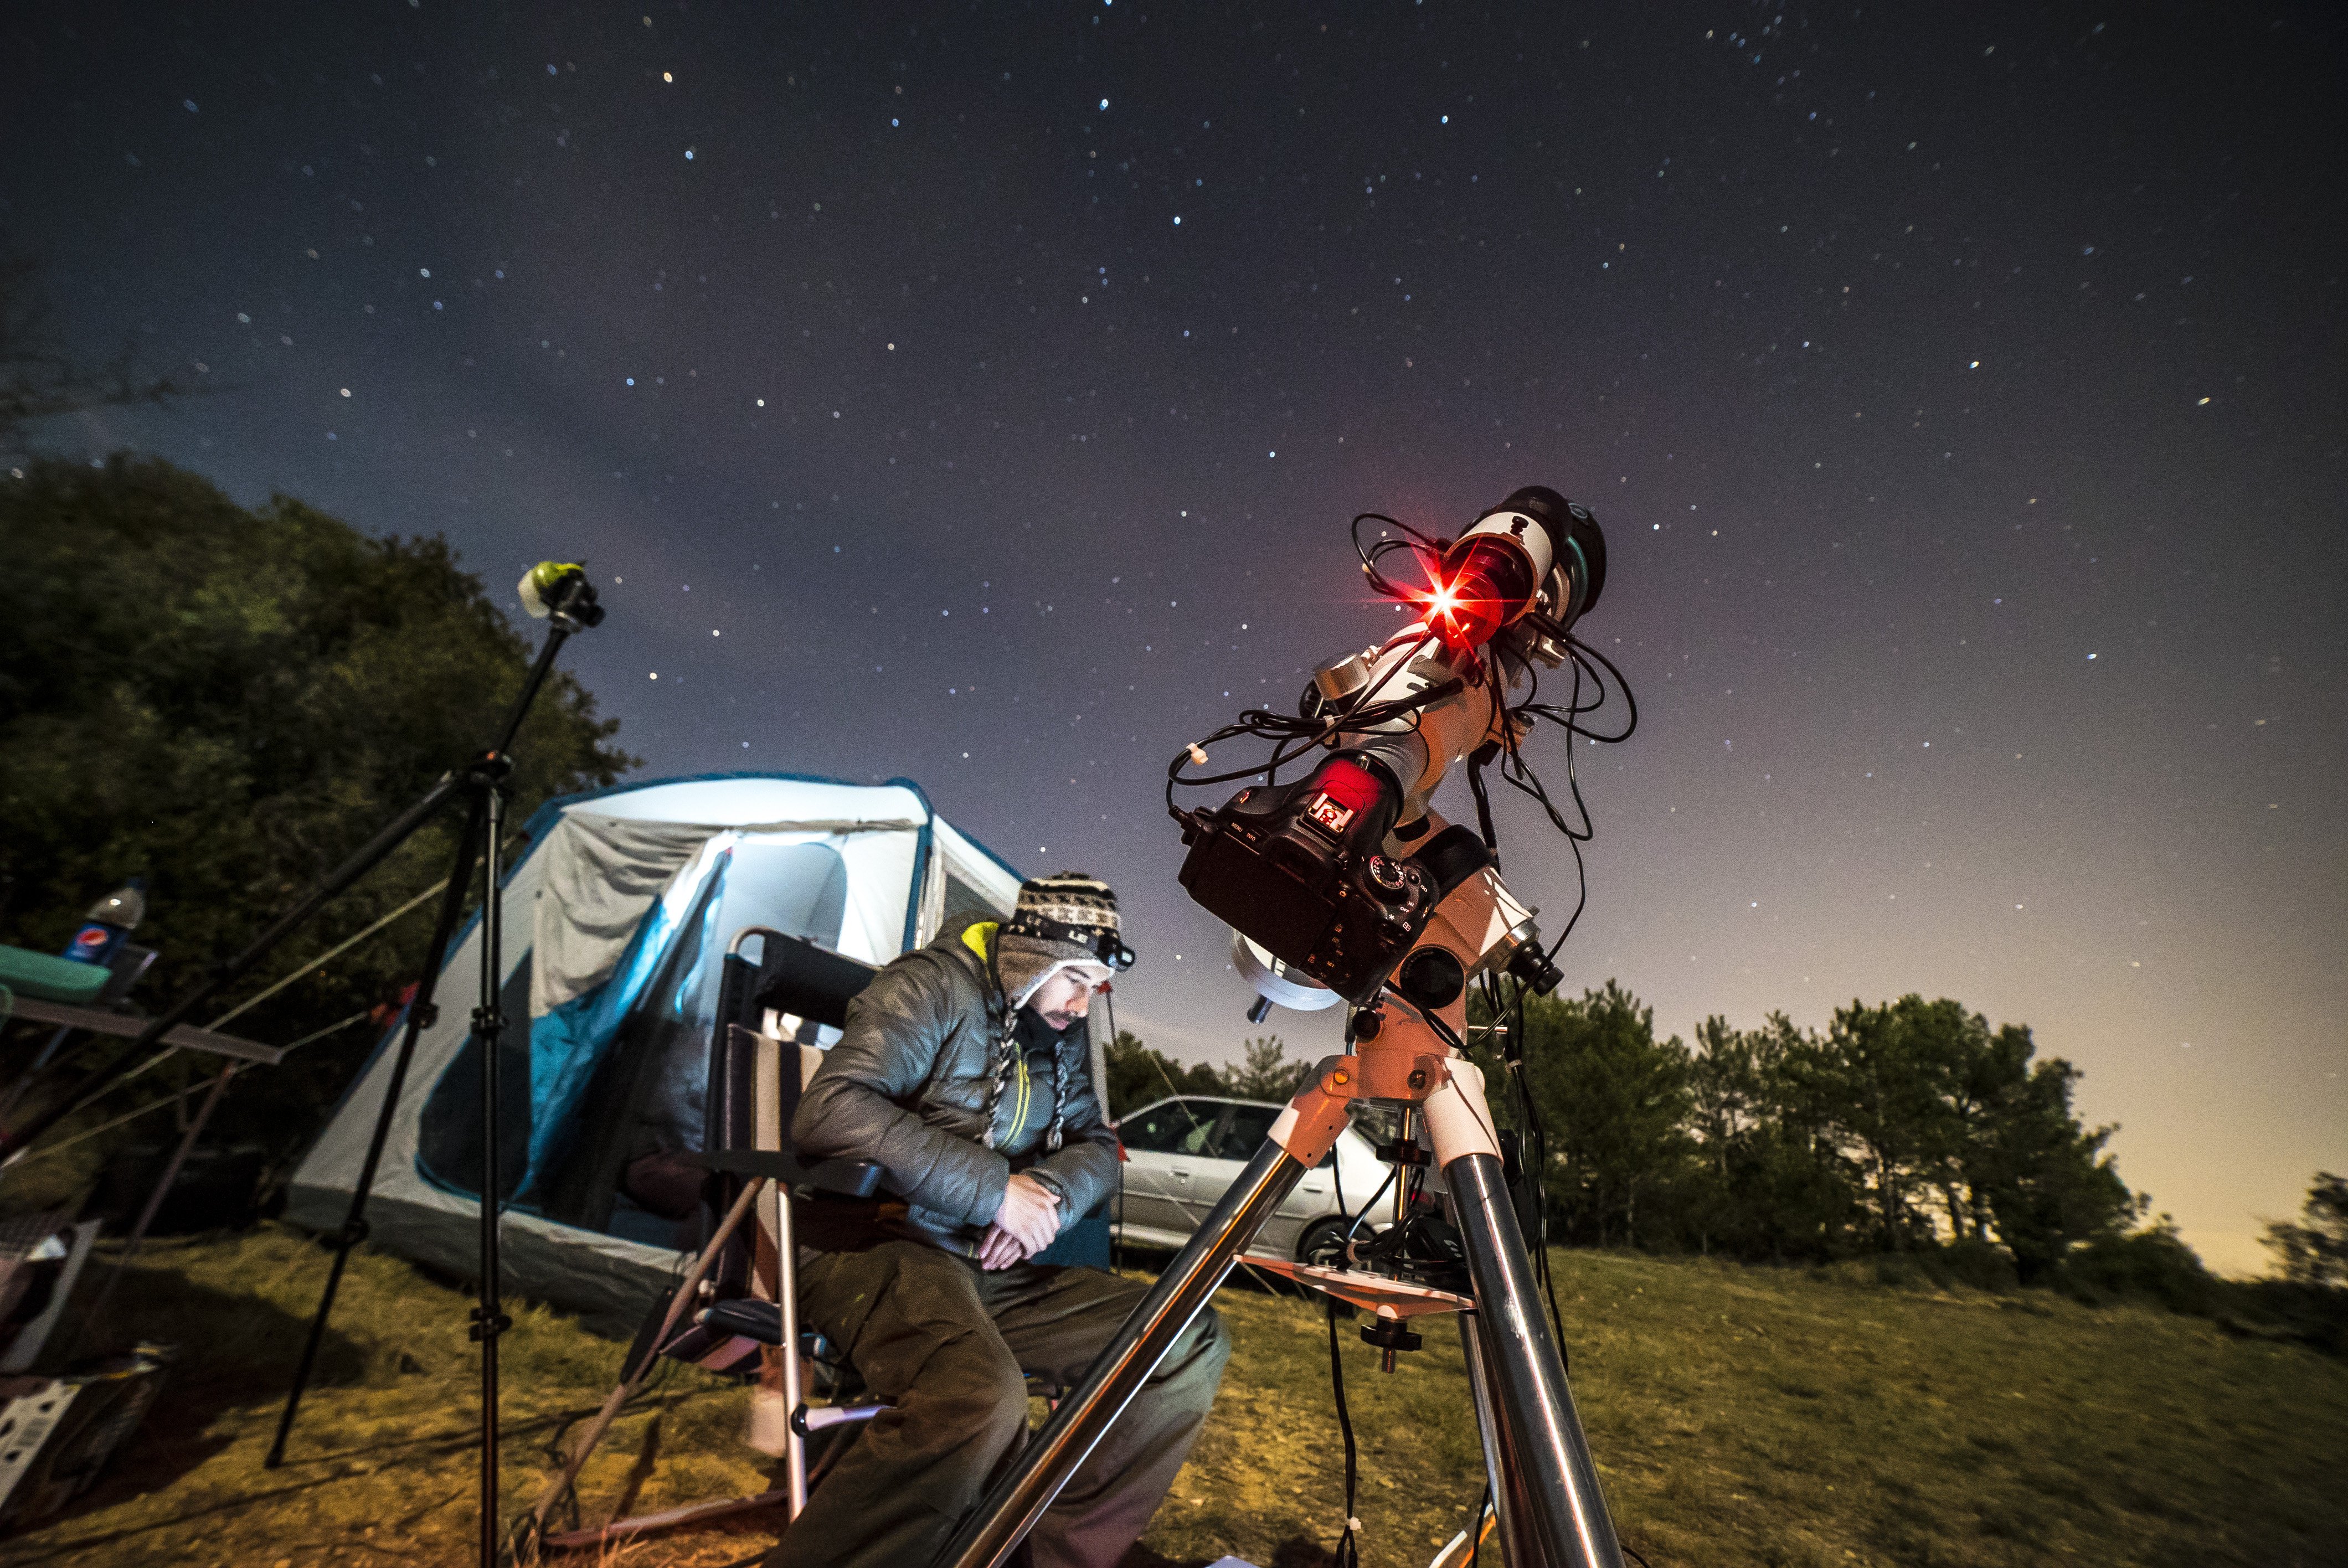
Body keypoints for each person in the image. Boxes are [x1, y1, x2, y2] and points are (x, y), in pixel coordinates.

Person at [769, 873, 1229, 1568]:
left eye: (1096, 984)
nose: (1082, 1002)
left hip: (982, 1265)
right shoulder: (931, 987)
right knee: (979, 1396)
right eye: (1073, 977)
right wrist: (992, 1193)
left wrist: (1041, 1194)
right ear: (1029, 957)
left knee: (1183, 1336)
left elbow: (1098, 1147)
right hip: (873, 1246)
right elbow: (832, 1111)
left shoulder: (1054, 1029)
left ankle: (1037, 1554)